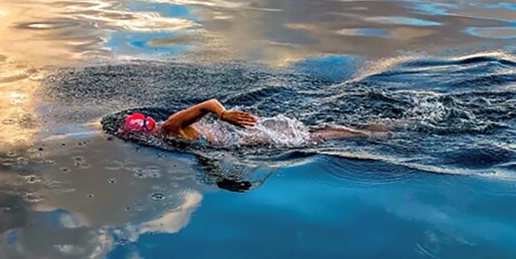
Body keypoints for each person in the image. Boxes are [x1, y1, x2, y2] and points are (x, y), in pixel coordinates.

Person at [122, 98, 376, 143]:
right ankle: (365, 130)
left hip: (237, 140)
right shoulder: (166, 130)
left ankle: (368, 133)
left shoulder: (169, 127)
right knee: (309, 134)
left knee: (309, 139)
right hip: (232, 139)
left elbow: (208, 103)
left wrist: (223, 114)